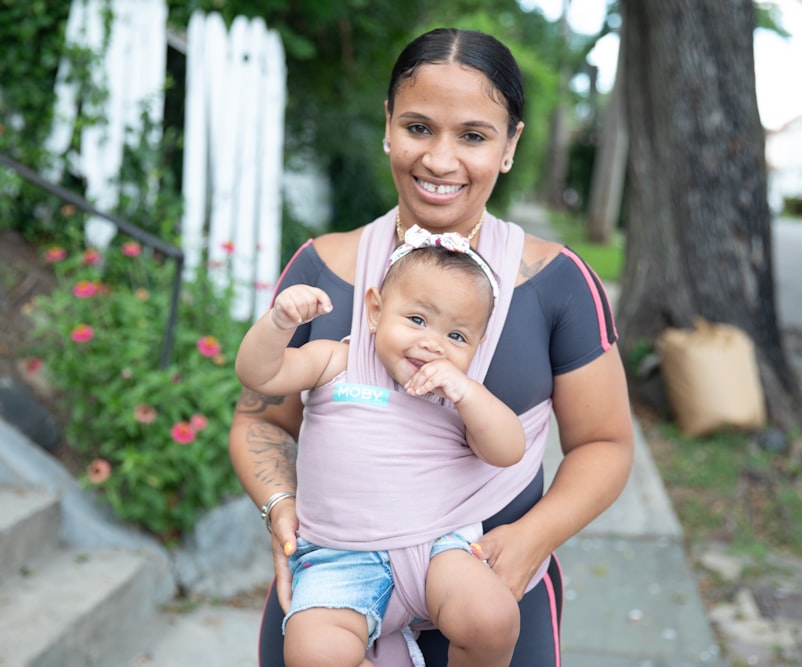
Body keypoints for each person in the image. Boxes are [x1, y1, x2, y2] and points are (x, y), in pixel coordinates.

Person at [228, 27, 635, 667]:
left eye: (473, 135)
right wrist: (281, 508)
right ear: (388, 125)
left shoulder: (555, 283)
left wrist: (530, 540)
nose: (441, 161)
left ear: (510, 146)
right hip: (334, 590)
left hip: (488, 581)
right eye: (419, 127)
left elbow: (605, 445)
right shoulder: (322, 268)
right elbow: (260, 417)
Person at [236, 228, 528, 667]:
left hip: (436, 549)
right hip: (338, 555)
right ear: (374, 311)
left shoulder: (462, 395)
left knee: (493, 618)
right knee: (311, 652)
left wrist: (467, 394)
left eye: (457, 337)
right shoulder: (336, 362)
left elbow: (509, 450)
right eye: (417, 320)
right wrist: (279, 324)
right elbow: (260, 375)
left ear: (478, 346)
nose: (433, 343)